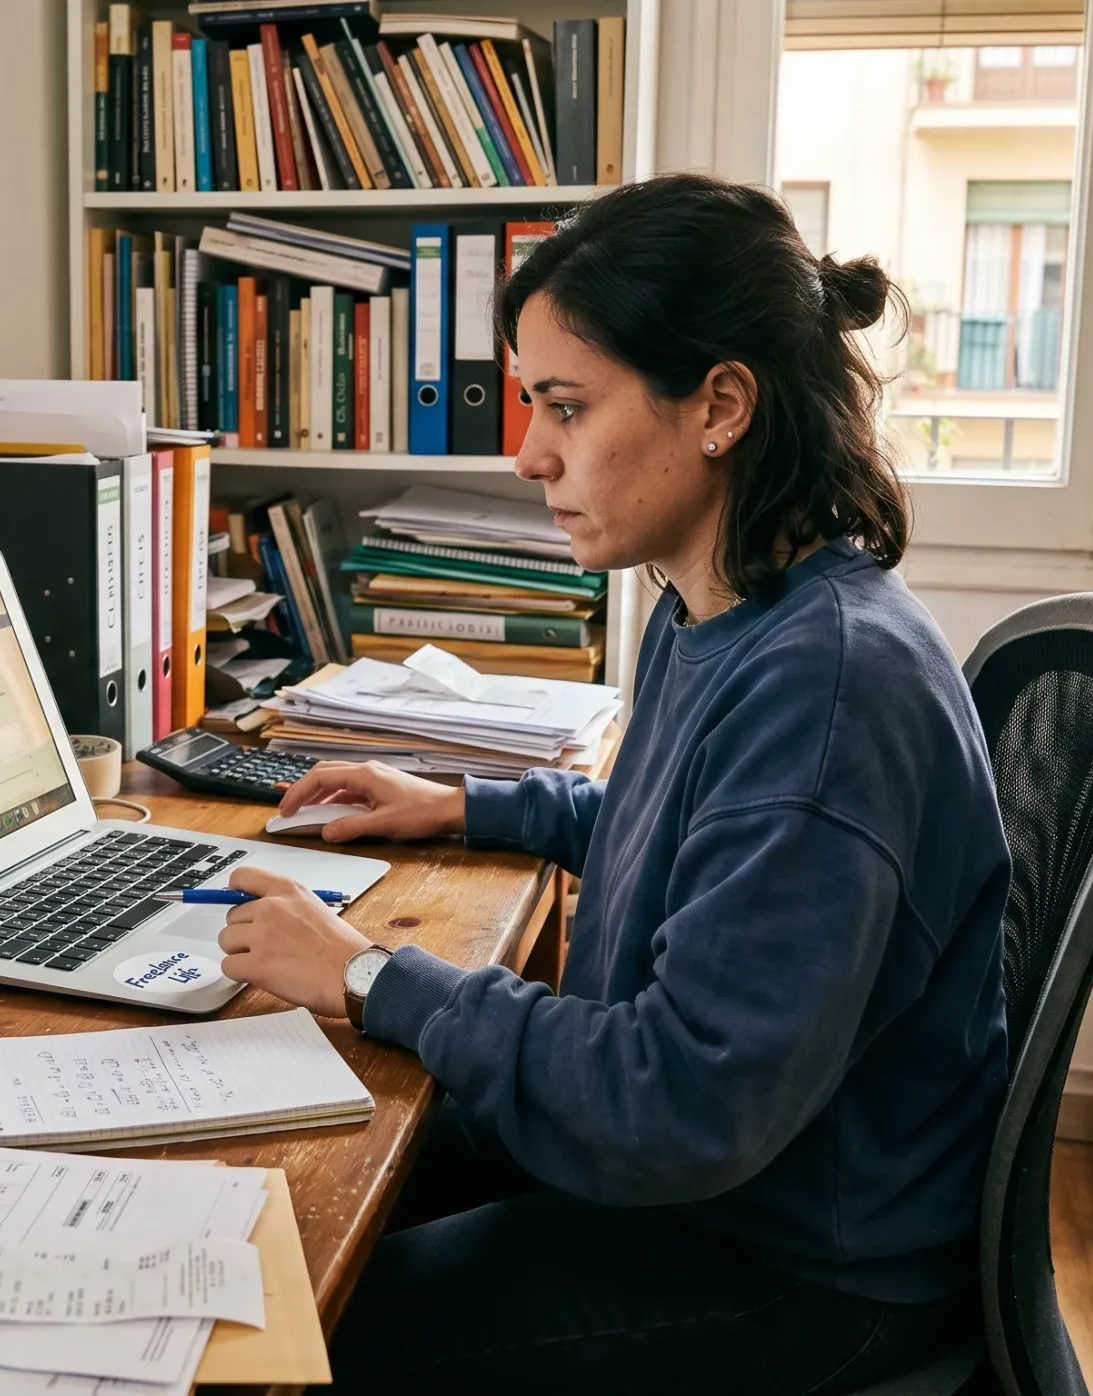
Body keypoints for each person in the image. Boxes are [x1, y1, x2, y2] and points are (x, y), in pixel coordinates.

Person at [216, 172, 1012, 1395]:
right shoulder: (719, 602)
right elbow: (684, 834)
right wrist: (466, 803)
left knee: (307, 1331)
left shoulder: (828, 693)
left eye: (567, 407)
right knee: (303, 1177)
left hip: (798, 1260)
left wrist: (370, 971)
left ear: (720, 406)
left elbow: (676, 1099)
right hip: (729, 1179)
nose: (530, 453)